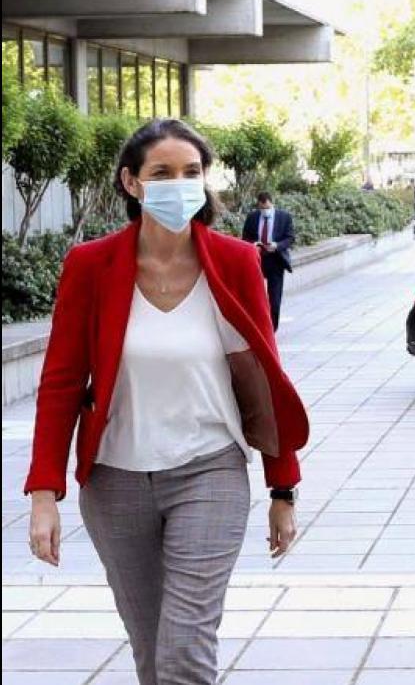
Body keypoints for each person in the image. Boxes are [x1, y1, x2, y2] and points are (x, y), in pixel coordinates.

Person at [25, 118, 308, 685]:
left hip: (210, 471)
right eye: (162, 173)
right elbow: (60, 382)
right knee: (152, 652)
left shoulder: (235, 261)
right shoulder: (91, 265)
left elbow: (265, 381)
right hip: (115, 480)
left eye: (191, 172)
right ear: (131, 182)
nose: (179, 184)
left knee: (184, 651)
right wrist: (43, 494)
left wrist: (283, 489)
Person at [241, 192, 294, 331]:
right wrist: (254, 244)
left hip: (276, 260)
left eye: (267, 208)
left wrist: (277, 245)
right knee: (255, 296)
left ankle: (272, 329)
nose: (265, 211)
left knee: (274, 298)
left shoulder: (284, 217)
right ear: (258, 206)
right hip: (257, 259)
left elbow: (290, 238)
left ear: (272, 203)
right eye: (262, 208)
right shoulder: (252, 217)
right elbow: (245, 237)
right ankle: (257, 325)